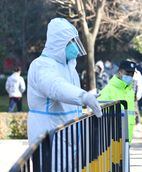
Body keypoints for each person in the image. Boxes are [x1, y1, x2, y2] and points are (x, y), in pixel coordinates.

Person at [27, 17, 102, 145]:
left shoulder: (69, 68)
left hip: (68, 137)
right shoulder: (41, 65)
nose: (75, 46)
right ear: (59, 43)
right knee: (52, 165)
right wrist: (83, 96)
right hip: (49, 138)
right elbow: (56, 87)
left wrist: (86, 97)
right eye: (72, 41)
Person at [98, 60, 137, 141]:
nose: (130, 76)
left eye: (132, 74)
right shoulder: (108, 90)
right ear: (119, 72)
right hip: (113, 140)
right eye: (127, 74)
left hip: (127, 138)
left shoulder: (130, 91)